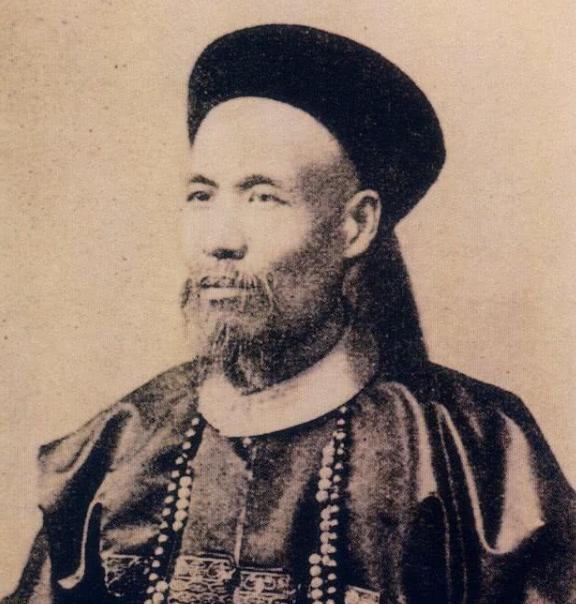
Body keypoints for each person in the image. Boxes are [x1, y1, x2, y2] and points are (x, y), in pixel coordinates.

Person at [5, 24, 575, 604]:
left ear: (355, 225)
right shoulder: (116, 447)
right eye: (202, 195)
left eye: (263, 197)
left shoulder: (476, 452)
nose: (220, 240)